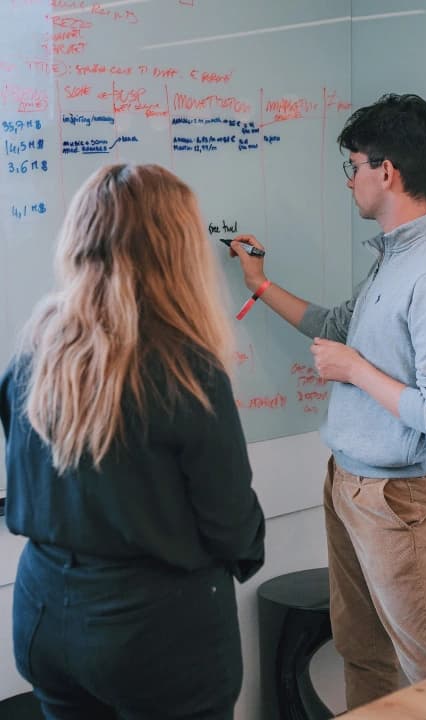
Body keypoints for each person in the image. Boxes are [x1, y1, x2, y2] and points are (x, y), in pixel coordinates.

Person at [231, 93, 426, 708]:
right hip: (348, 483)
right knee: (361, 650)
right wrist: (259, 285)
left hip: (394, 497)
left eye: (355, 166)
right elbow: (337, 326)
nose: (350, 181)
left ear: (385, 172)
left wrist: (357, 372)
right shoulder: (392, 259)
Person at [0, 163, 265, 720]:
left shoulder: (31, 361)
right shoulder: (187, 372)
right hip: (155, 633)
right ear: (176, 251)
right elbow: (233, 526)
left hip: (44, 612)